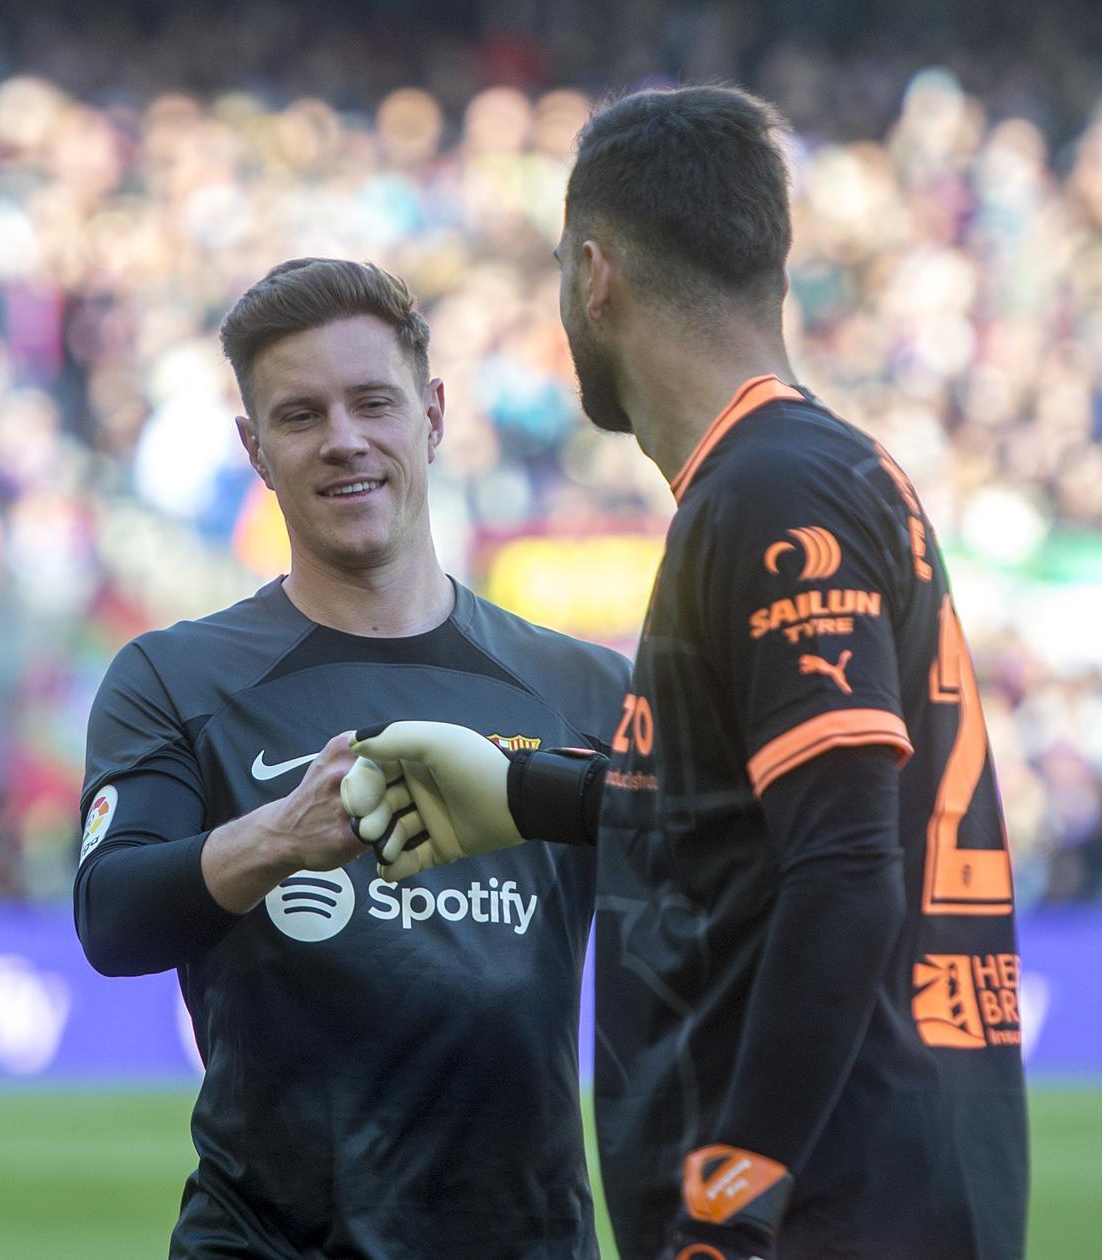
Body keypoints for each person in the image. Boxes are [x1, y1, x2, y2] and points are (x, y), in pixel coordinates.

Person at [344, 87, 1028, 1260]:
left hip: (820, 1215)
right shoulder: (806, 472)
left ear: (594, 275)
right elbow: (746, 817)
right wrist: (519, 796)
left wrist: (734, 1194)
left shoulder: (772, 493)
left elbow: (848, 864)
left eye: (562, 268)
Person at [73, 257, 630, 1260]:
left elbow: (708, 902)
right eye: (300, 416)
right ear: (254, 448)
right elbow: (112, 916)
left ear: (434, 413)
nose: (344, 441)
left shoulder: (584, 691)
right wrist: (278, 837)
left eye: (373, 402)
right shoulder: (175, 678)